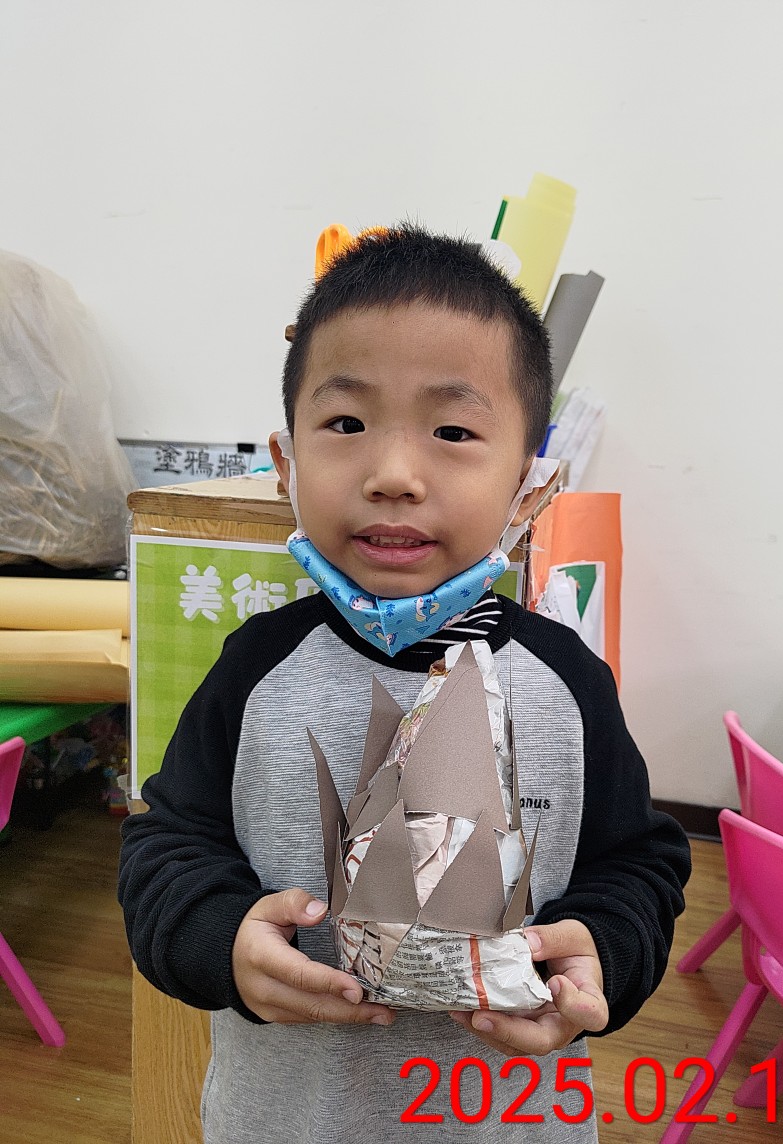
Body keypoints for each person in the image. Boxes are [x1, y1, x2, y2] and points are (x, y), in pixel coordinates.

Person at [118, 226, 691, 1143]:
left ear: (529, 486)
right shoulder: (255, 671)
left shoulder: (569, 685)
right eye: (346, 425)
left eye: (454, 431)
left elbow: (639, 865)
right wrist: (220, 939)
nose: (393, 475)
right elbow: (166, 848)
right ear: (286, 463)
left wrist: (602, 950)